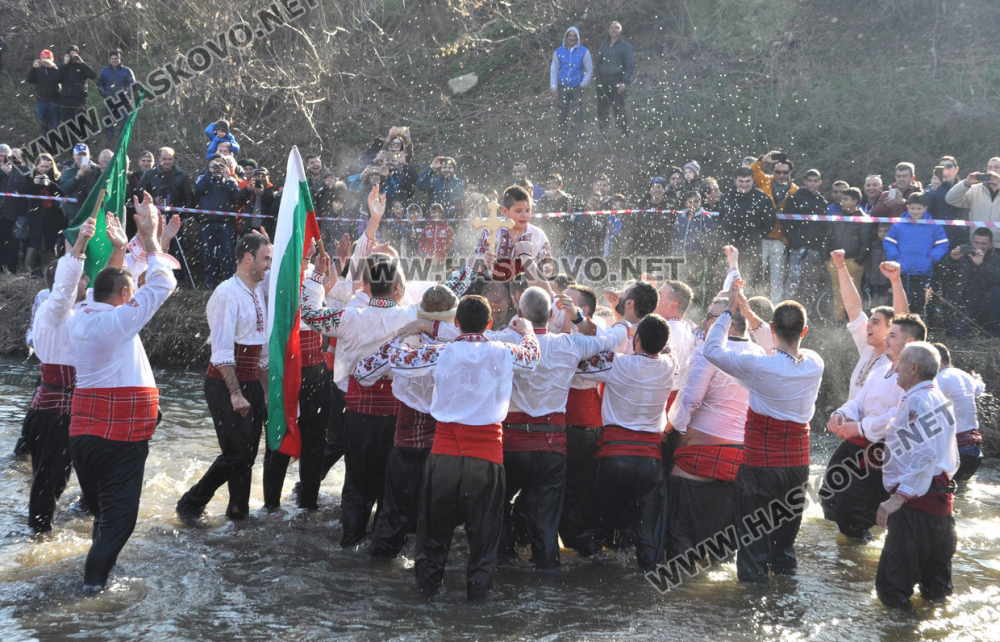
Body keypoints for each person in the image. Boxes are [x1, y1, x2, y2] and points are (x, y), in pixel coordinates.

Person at [300, 188, 475, 548]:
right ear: (399, 287)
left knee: (356, 483)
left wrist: (317, 279)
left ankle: (350, 541)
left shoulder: (349, 316)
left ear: (367, 284)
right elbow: (447, 291)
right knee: (389, 486)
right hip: (396, 412)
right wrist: (474, 262)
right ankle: (380, 545)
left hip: (357, 412)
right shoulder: (411, 314)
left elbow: (310, 315)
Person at [386, 295, 540, 600]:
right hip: (486, 459)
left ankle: (428, 598)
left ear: (456, 324)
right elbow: (532, 357)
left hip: (444, 457)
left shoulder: (441, 352)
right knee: (483, 543)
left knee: (433, 538)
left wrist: (406, 339)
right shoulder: (504, 352)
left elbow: (399, 361)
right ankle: (478, 605)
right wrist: (528, 330)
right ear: (489, 324)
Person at [68, 192, 177, 589]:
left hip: (83, 434)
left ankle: (93, 573)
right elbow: (163, 283)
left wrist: (122, 251)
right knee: (120, 521)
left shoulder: (82, 313)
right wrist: (149, 239)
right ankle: (92, 588)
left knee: (102, 514)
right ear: (126, 298)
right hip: (120, 435)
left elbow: (109, 284)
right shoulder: (118, 323)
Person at [489, 287, 628, 570]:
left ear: (519, 315)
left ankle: (503, 564)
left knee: (498, 509)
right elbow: (612, 339)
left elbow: (467, 337)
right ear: (552, 314)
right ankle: (546, 573)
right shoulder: (569, 344)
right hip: (550, 446)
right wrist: (618, 316)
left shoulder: (504, 340)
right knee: (546, 519)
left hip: (511, 444)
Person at [703, 284, 824, 583]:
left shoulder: (759, 366)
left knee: (752, 545)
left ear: (772, 327)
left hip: (759, 468)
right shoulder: (814, 363)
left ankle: (751, 609)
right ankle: (786, 603)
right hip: (797, 468)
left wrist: (730, 312)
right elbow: (778, 347)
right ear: (805, 331)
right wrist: (749, 314)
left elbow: (712, 350)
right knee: (783, 547)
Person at [176, 234, 272, 521]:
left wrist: (265, 392)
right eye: (265, 258)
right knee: (237, 454)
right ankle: (191, 502)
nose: (269, 265)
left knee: (248, 455)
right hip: (224, 383)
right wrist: (235, 392)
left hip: (251, 381)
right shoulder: (226, 293)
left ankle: (237, 511)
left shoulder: (257, 290)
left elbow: (261, 351)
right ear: (247, 258)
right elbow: (221, 351)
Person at [575, 310, 675, 572]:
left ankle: (591, 573)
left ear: (637, 339)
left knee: (595, 527)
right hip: (650, 464)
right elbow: (668, 351)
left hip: (613, 459)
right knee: (649, 536)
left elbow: (579, 365)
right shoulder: (669, 365)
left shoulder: (617, 363)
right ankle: (648, 578)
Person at [666, 295, 764, 561]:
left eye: (711, 317)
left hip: (700, 453)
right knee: (723, 542)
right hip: (742, 457)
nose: (704, 322)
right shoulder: (760, 354)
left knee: (679, 529)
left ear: (728, 325)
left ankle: (677, 580)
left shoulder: (706, 352)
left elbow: (691, 399)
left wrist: (675, 432)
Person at [826, 314, 926, 541]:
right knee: (839, 504)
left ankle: (866, 560)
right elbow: (859, 402)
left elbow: (899, 415)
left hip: (890, 454)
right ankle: (861, 555)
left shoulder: (915, 376)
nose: (887, 339)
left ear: (909, 343)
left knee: (858, 515)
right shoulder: (881, 370)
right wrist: (842, 414)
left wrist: (859, 428)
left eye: (892, 335)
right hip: (867, 446)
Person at [874, 342, 958, 608]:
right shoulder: (939, 397)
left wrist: (899, 497)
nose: (895, 368)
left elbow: (924, 453)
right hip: (941, 511)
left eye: (900, 363)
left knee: (892, 590)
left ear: (914, 367)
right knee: (936, 593)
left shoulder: (917, 399)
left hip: (917, 508)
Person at [884, 193, 950, 315]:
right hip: (902, 272)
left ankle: (918, 329)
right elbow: (889, 242)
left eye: (919, 208)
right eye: (912, 208)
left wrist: (931, 258)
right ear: (908, 207)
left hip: (924, 272)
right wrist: (896, 258)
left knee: (920, 304)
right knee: (901, 302)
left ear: (925, 208)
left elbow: (943, 244)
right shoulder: (898, 224)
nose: (915, 212)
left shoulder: (934, 226)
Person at [473, 185, 554, 282]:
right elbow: (475, 262)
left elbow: (547, 271)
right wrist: (483, 260)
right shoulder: (491, 230)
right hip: (492, 286)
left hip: (526, 290)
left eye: (528, 211)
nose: (524, 215)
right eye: (518, 211)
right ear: (505, 211)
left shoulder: (538, 236)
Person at [751, 151, 799, 302]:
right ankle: (755, 304)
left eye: (785, 172)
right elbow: (751, 171)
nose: (782, 175)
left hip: (780, 240)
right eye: (778, 172)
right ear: (773, 172)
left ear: (790, 172)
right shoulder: (764, 181)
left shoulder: (795, 190)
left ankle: (775, 308)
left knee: (777, 278)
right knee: (758, 275)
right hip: (761, 238)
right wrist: (763, 160)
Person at [938, 227, 1000, 336]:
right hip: (962, 304)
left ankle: (990, 332)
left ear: (991, 245)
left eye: (984, 243)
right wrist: (952, 259)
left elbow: (997, 278)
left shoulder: (996, 259)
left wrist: (981, 265)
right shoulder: (961, 254)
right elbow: (942, 274)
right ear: (971, 242)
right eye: (976, 242)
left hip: (986, 305)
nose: (979, 246)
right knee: (957, 335)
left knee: (997, 291)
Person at [718, 167, 773, 284]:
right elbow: (720, 219)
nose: (744, 184)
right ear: (735, 181)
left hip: (752, 245)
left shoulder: (762, 198)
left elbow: (770, 223)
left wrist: (756, 234)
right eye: (741, 181)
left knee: (752, 280)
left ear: (753, 181)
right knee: (727, 280)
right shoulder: (726, 198)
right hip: (730, 245)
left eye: (748, 181)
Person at [782, 169, 829, 306]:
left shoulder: (822, 202)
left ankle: (806, 315)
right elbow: (787, 222)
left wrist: (821, 247)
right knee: (793, 283)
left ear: (820, 182)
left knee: (810, 286)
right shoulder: (795, 198)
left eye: (815, 181)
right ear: (805, 182)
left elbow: (824, 228)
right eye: (810, 181)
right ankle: (783, 312)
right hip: (798, 248)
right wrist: (794, 242)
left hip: (815, 249)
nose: (812, 184)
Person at [194, 154, 242, 288]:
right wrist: (209, 172)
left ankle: (228, 282)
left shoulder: (230, 179)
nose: (218, 167)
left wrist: (227, 178)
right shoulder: (204, 177)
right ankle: (210, 283)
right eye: (215, 164)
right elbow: (199, 189)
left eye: (221, 164)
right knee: (208, 253)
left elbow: (236, 195)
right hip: (207, 222)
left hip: (226, 222)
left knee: (228, 254)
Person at [825, 187, 870, 322]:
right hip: (835, 259)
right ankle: (838, 320)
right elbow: (829, 238)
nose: (842, 202)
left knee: (853, 292)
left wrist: (859, 261)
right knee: (837, 291)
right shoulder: (838, 216)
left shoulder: (863, 219)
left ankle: (855, 321)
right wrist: (827, 258)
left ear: (855, 201)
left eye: (846, 199)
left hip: (853, 260)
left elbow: (866, 241)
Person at [550, 26, 593, 144]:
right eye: (570, 36)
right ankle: (561, 140)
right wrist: (553, 86)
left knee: (577, 115)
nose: (572, 38)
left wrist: (583, 83)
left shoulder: (584, 51)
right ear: (566, 37)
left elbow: (589, 69)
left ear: (577, 37)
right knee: (561, 115)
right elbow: (554, 69)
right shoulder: (559, 51)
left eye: (574, 36)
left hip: (576, 88)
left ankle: (576, 141)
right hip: (562, 87)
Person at [945, 158, 1000, 246]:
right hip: (978, 244)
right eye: (989, 168)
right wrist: (966, 183)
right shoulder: (975, 190)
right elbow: (950, 199)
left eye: (997, 167)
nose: (992, 171)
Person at [594, 21, 633, 136]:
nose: (613, 29)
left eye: (616, 28)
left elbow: (629, 65)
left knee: (619, 108)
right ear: (609, 30)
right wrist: (597, 79)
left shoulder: (625, 47)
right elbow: (597, 64)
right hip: (603, 82)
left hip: (618, 81)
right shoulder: (603, 46)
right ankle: (604, 135)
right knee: (602, 110)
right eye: (611, 28)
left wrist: (624, 82)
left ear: (620, 31)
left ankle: (623, 135)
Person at [925, 156, 969, 248]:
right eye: (942, 168)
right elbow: (923, 209)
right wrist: (933, 189)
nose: (945, 171)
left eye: (949, 167)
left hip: (960, 238)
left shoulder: (965, 187)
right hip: (937, 238)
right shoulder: (931, 188)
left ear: (956, 169)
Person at [0, 146, 30, 272]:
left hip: (12, 214)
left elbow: (24, 189)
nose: (3, 158)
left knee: (12, 245)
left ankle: (10, 270)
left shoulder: (20, 170)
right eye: (0, 155)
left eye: (6, 156)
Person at [96, 50, 135, 141]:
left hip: (123, 99)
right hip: (109, 99)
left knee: (124, 119)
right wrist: (104, 94)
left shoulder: (127, 70)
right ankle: (109, 139)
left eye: (116, 58)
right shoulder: (104, 70)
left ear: (120, 59)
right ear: (109, 60)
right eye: (112, 58)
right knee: (109, 120)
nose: (114, 60)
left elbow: (132, 84)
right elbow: (99, 84)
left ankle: (122, 139)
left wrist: (126, 93)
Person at [58, 45, 96, 124]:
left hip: (80, 99)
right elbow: (57, 79)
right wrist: (65, 64)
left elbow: (93, 75)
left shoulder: (82, 66)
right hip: (66, 99)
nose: (73, 56)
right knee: (68, 124)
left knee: (81, 123)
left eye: (75, 54)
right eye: (71, 54)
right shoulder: (63, 67)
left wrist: (82, 63)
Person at [26, 50, 61, 134]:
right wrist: (33, 68)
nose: (45, 60)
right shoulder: (38, 70)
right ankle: (46, 144)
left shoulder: (55, 69)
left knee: (56, 125)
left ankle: (57, 145)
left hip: (54, 101)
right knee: (43, 126)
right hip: (41, 101)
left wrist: (52, 67)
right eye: (43, 58)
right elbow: (29, 80)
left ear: (52, 59)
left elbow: (60, 78)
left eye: (48, 58)